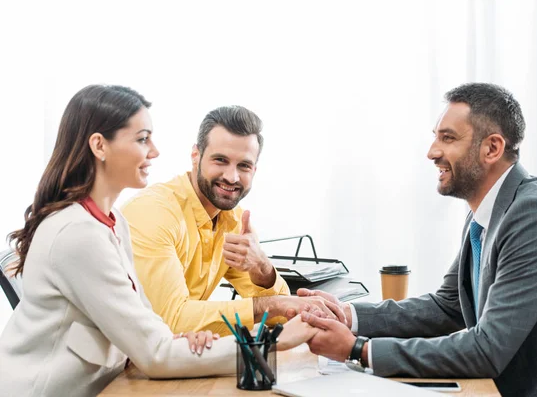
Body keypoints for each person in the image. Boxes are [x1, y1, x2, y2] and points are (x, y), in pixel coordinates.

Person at [0, 85, 318, 397]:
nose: (155, 151)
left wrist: (181, 338)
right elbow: (155, 354)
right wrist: (275, 344)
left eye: (244, 165)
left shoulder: (113, 223)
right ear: (99, 146)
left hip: (110, 382)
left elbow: (150, 326)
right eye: (142, 139)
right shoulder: (81, 234)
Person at [299, 83, 537, 396]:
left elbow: (487, 349)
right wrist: (349, 317)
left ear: (492, 148)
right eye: (436, 136)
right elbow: (448, 307)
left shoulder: (534, 216)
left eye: (448, 138)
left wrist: (359, 349)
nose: (432, 152)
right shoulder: (489, 211)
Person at [121, 105, 344, 335]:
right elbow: (169, 321)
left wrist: (263, 269)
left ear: (254, 170)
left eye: (243, 165)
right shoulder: (154, 213)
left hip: (175, 357)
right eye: (220, 160)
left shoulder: (235, 221)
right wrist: (275, 304)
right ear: (196, 156)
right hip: (118, 364)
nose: (232, 177)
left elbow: (279, 319)